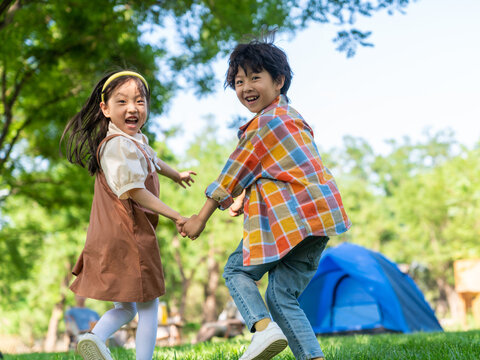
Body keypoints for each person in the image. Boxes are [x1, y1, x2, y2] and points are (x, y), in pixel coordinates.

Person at [180, 35, 351, 360]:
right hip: (319, 222)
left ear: (279, 81)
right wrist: (245, 198)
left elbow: (234, 171)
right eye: (239, 81)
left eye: (255, 77)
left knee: (236, 272)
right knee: (281, 295)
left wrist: (200, 217)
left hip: (291, 220)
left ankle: (262, 330)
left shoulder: (264, 124)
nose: (245, 88)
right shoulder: (293, 118)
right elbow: (278, 168)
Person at [61, 70, 195, 360]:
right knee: (149, 305)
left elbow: (152, 158)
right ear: (105, 109)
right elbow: (134, 190)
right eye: (121, 102)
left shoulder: (132, 141)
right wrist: (176, 216)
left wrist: (176, 175)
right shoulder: (119, 146)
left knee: (125, 307)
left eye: (139, 101)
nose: (132, 107)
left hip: (110, 234)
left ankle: (94, 339)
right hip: (129, 233)